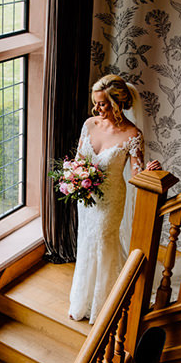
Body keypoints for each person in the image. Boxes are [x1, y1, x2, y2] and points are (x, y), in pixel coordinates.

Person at [68, 74, 160, 323]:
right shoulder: (89, 124)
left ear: (117, 103)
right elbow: (79, 159)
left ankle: (105, 304)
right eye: (95, 103)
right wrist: (74, 178)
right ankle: (82, 300)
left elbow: (137, 175)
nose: (97, 109)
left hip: (110, 200)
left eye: (103, 104)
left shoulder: (133, 135)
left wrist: (149, 172)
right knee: (87, 242)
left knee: (103, 242)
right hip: (86, 198)